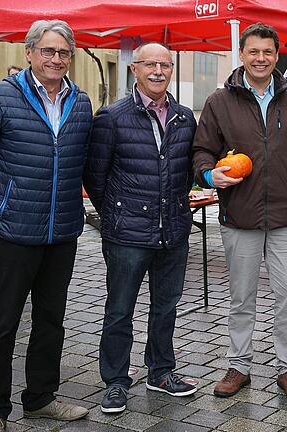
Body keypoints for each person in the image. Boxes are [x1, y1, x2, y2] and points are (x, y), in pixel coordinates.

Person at [0, 19, 92, 432]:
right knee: (4, 322)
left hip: (62, 233)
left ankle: (40, 398)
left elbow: (83, 164)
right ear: (30, 53)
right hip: (14, 233)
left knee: (51, 320)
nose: (56, 59)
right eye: (48, 51)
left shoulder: (81, 101)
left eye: (63, 53)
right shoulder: (0, 97)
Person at [192, 23, 287, 401]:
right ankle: (239, 365)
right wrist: (210, 174)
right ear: (241, 55)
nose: (261, 59)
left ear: (277, 55)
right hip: (239, 216)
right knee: (241, 296)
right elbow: (201, 151)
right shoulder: (219, 101)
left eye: (268, 52)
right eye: (253, 52)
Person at [84, 42, 198, 414]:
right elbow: (95, 178)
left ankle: (161, 371)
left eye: (165, 65)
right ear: (135, 69)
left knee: (166, 307)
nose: (159, 72)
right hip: (127, 234)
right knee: (120, 309)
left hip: (174, 231)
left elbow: (183, 175)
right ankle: (116, 381)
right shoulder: (112, 117)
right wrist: (117, 215)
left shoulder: (183, 117)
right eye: (150, 64)